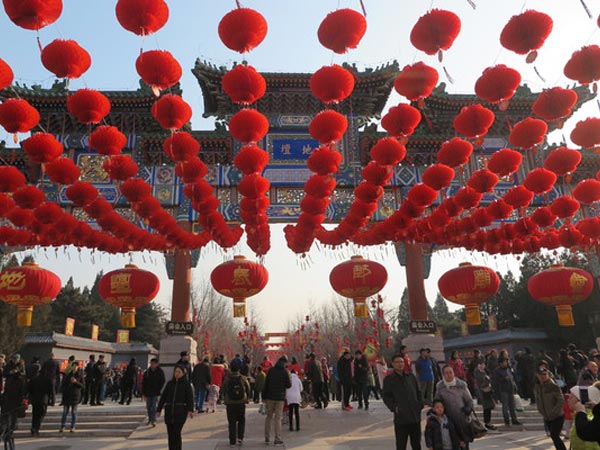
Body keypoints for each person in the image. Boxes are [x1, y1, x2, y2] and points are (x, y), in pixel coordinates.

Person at [383, 354, 423, 450]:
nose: (400, 364)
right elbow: (386, 397)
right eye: (397, 362)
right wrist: (394, 408)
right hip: (401, 418)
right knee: (401, 445)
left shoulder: (411, 377)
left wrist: (419, 404)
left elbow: (418, 392)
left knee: (416, 444)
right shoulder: (389, 380)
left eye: (401, 362)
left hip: (415, 416)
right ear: (392, 364)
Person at [435, 365, 474, 449]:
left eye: (450, 372)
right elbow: (437, 402)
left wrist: (468, 408)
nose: (449, 375)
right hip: (448, 421)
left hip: (462, 419)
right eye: (446, 373)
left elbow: (469, 400)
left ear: (454, 373)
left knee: (464, 445)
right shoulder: (440, 387)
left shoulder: (461, 385)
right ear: (443, 375)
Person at [157, 365, 194, 450]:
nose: (176, 374)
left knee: (176, 433)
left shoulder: (186, 384)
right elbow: (163, 397)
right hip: (169, 412)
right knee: (170, 434)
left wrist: (190, 410)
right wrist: (159, 409)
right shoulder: (170, 384)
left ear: (183, 373)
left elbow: (190, 398)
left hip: (180, 412)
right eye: (175, 372)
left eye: (179, 372)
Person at [534, 366, 566, 450]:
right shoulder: (537, 387)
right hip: (547, 417)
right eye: (541, 375)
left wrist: (554, 412)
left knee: (554, 435)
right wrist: (540, 410)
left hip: (557, 416)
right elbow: (538, 400)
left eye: (545, 374)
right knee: (554, 437)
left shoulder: (553, 386)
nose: (543, 376)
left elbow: (561, 400)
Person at [263, 356, 291, 446]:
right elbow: (289, 385)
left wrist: (264, 397)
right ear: (285, 363)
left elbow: (266, 384)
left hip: (270, 397)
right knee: (278, 418)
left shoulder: (271, 370)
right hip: (280, 398)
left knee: (269, 417)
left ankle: (267, 437)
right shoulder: (285, 371)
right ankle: (277, 439)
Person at [222, 360, 250, 447]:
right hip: (241, 402)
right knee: (241, 420)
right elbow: (248, 389)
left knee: (231, 422)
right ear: (239, 369)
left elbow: (223, 390)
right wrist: (247, 398)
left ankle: (232, 441)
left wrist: (225, 398)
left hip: (230, 403)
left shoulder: (227, 379)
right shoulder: (243, 378)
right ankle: (240, 438)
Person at [1, 357, 27, 449]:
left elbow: (23, 389)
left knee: (11, 423)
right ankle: (7, 434)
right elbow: (5, 375)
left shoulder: (20, 375)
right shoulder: (8, 370)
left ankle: (9, 434)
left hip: (15, 402)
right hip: (7, 400)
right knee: (6, 421)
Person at [492, 357, 522, 426]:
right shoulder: (497, 371)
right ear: (501, 363)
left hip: (510, 389)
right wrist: (504, 378)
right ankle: (507, 421)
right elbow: (496, 381)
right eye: (505, 362)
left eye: (507, 361)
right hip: (503, 390)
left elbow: (512, 378)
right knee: (505, 406)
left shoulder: (508, 369)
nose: (506, 363)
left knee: (512, 406)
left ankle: (514, 420)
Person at [27, 362, 53, 436]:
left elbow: (29, 389)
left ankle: (33, 427)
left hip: (35, 400)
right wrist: (51, 400)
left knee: (35, 415)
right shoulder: (48, 379)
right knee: (41, 414)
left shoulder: (34, 379)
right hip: (43, 400)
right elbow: (51, 391)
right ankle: (36, 428)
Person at [60, 361, 83, 433]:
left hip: (75, 396)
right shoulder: (68, 375)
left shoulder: (80, 375)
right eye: (74, 366)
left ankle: (72, 427)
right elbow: (63, 385)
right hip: (67, 396)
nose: (75, 367)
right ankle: (62, 426)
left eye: (76, 366)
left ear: (78, 367)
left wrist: (76, 382)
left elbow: (82, 386)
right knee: (64, 412)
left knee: (74, 412)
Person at [142, 358, 165, 427]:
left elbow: (162, 381)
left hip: (155, 392)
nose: (152, 365)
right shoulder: (147, 372)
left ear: (157, 364)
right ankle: (150, 419)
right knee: (148, 406)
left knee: (154, 406)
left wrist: (158, 389)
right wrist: (143, 393)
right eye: (151, 363)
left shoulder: (160, 371)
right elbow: (144, 383)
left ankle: (153, 420)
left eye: (153, 363)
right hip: (148, 392)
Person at [474, 361, 497, 430]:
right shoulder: (478, 372)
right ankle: (487, 423)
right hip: (483, 392)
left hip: (488, 391)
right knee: (486, 408)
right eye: (481, 364)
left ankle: (488, 422)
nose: (482, 366)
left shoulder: (485, 372)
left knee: (489, 407)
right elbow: (481, 382)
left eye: (483, 364)